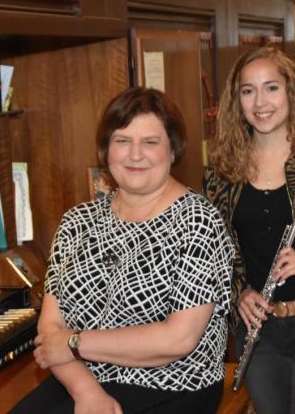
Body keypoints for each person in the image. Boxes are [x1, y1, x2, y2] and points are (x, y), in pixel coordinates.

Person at [12, 87, 234, 414]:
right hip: (83, 377)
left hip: (174, 384)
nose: (135, 154)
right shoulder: (76, 222)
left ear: (173, 150)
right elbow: (50, 332)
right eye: (122, 140)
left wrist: (75, 343)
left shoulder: (198, 221)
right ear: (105, 150)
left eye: (150, 142)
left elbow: (178, 340)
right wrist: (87, 392)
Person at [203, 46, 295, 414]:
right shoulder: (221, 172)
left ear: (292, 92)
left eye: (271, 87)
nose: (260, 101)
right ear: (236, 100)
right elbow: (218, 254)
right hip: (259, 334)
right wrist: (240, 294)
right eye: (247, 90)